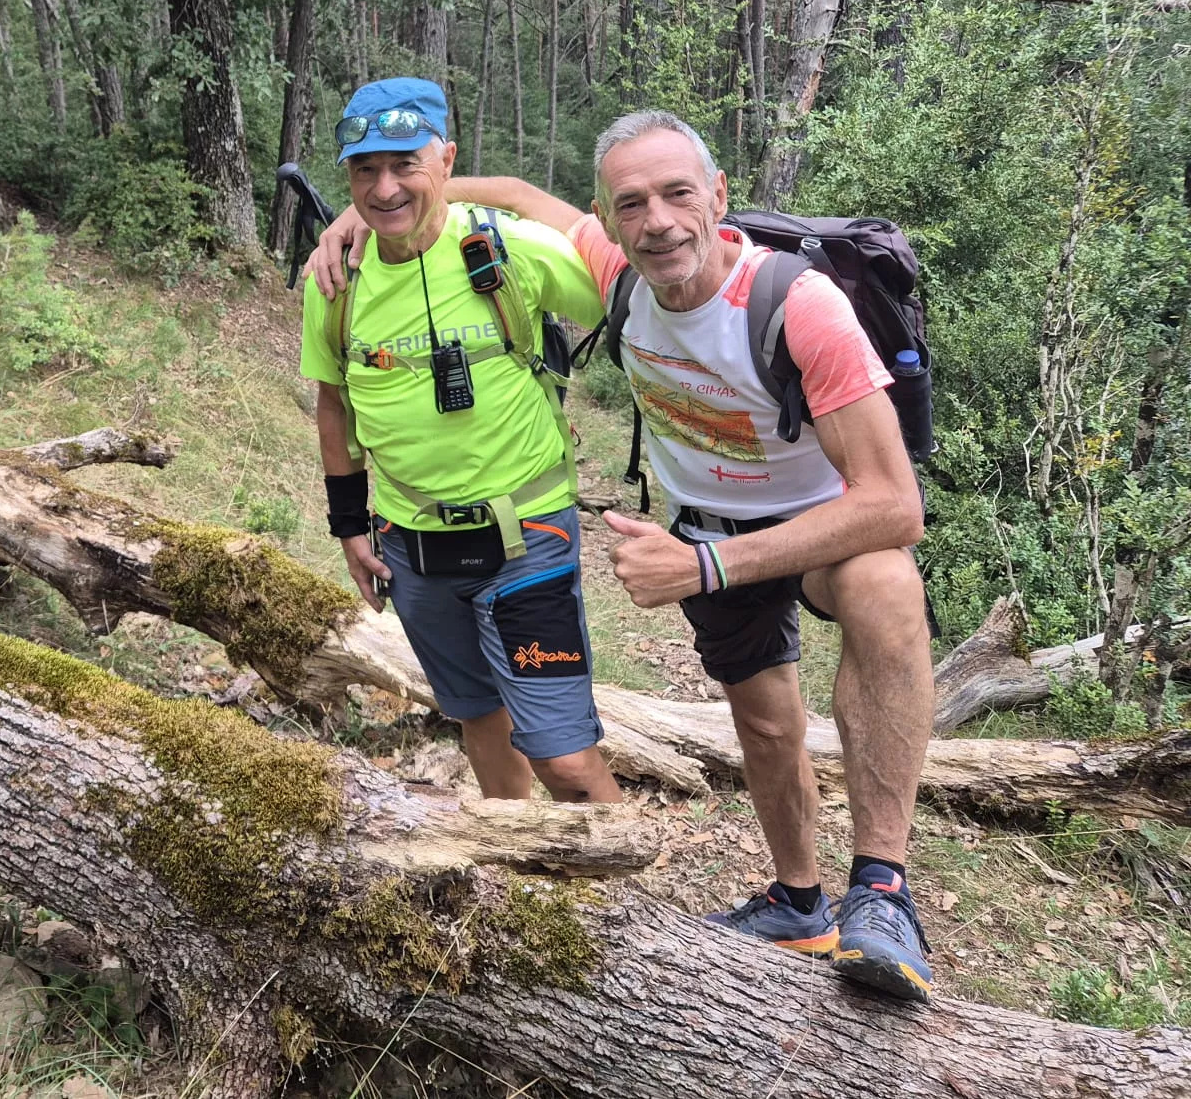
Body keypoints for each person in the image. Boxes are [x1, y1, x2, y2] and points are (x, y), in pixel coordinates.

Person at [307, 108, 936, 1001]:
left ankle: (882, 889)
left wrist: (703, 568)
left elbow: (893, 505)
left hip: (817, 523)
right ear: (606, 220)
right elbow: (519, 193)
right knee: (763, 724)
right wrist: (361, 214)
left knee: (884, 585)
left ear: (718, 196)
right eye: (631, 203)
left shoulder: (798, 304)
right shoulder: (618, 271)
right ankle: (801, 903)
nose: (660, 221)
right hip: (711, 521)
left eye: (680, 194)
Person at [301, 76, 621, 805]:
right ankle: (524, 881)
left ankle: (643, 905)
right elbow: (334, 407)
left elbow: (628, 281)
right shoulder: (336, 281)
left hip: (528, 535)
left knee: (564, 759)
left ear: (445, 158)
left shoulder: (511, 247)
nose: (384, 189)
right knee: (478, 717)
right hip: (412, 548)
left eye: (404, 164)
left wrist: (507, 188)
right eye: (364, 170)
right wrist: (350, 525)